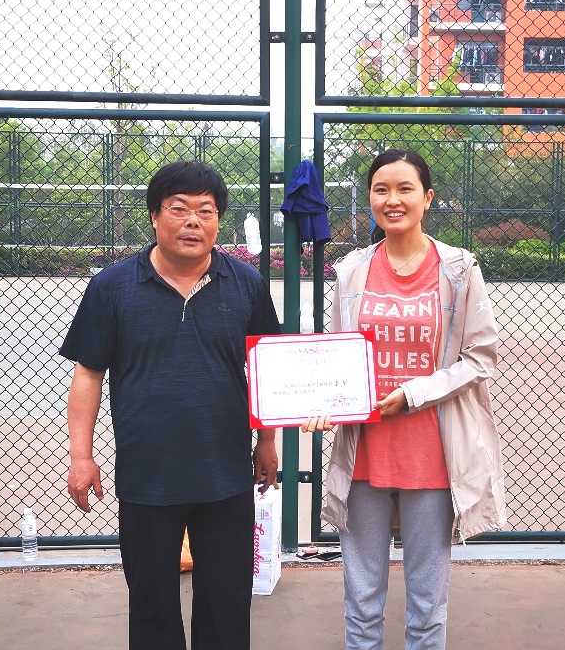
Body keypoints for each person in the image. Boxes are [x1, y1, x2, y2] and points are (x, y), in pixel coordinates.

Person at [59, 160, 282, 650]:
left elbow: (269, 369)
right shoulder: (112, 287)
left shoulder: (246, 284)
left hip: (225, 475)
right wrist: (81, 457)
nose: (193, 221)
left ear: (218, 220)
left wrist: (267, 441)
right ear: (155, 216)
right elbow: (88, 374)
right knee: (152, 606)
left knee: (226, 606)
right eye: (179, 209)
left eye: (206, 210)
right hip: (147, 478)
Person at [301, 149, 507, 650]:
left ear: (427, 198)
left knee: (427, 602)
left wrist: (414, 394)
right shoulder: (352, 270)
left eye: (404, 188)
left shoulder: (458, 269)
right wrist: (325, 399)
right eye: (381, 189)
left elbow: (481, 357)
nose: (392, 200)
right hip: (364, 454)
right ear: (370, 198)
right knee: (362, 597)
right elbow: (337, 352)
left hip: (431, 456)